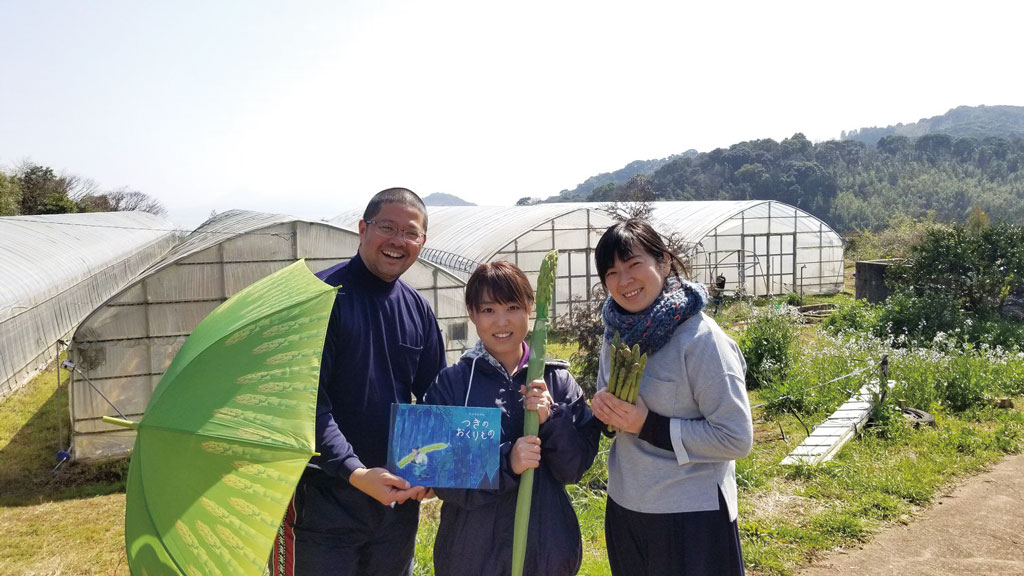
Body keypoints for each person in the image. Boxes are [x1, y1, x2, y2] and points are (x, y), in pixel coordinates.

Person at [272, 188, 446, 576]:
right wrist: (355, 471)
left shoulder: (416, 308)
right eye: (387, 227)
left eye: (411, 233)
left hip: (394, 506)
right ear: (363, 228)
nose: (398, 241)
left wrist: (434, 468)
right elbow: (304, 404)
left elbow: (436, 397)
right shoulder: (320, 298)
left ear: (422, 242)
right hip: (322, 502)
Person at [589, 219, 753, 576]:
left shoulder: (701, 340)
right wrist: (605, 414)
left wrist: (647, 425)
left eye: (634, 265)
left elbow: (736, 438)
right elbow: (614, 418)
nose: (625, 280)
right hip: (626, 507)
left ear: (663, 262)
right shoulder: (615, 333)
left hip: (692, 518)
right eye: (612, 272)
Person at [425, 261, 600, 576]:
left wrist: (553, 419)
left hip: (546, 551)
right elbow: (437, 472)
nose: (501, 321)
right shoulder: (453, 384)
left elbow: (574, 469)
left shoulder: (557, 380)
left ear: (531, 307)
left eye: (512, 307)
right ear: (471, 313)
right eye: (489, 310)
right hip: (472, 554)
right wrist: (505, 462)